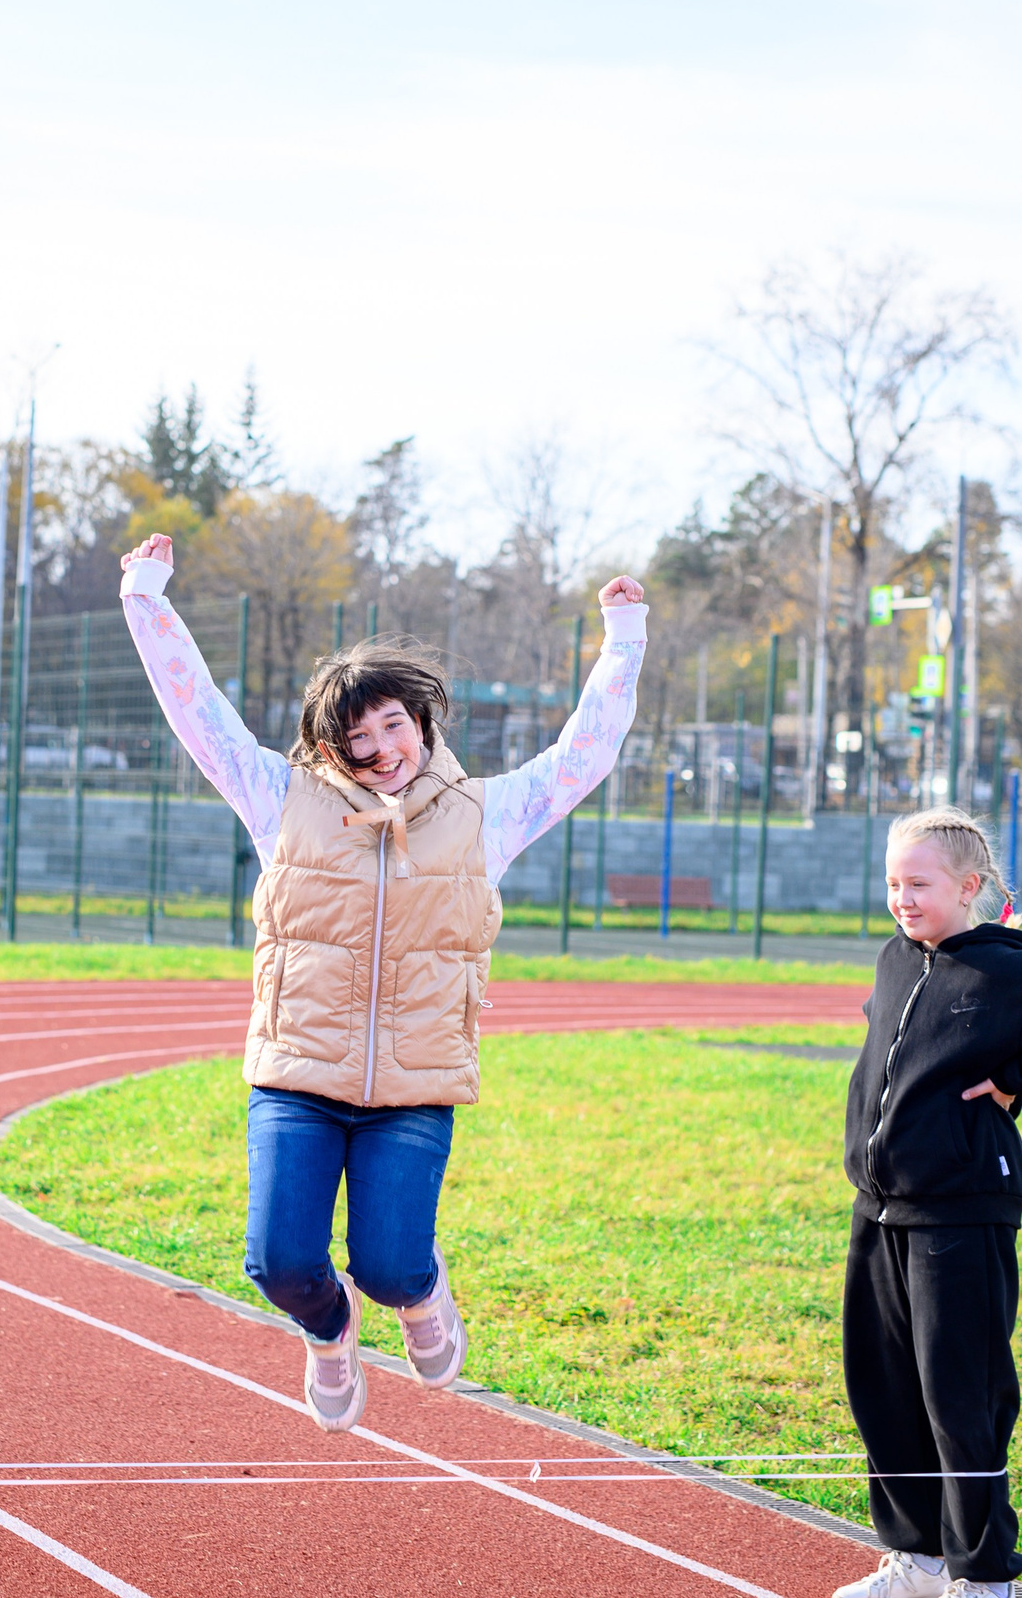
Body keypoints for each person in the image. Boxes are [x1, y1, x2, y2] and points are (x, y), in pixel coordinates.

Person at [118, 532, 645, 1431]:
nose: (382, 749)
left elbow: (583, 754)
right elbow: (197, 712)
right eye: (357, 739)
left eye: (392, 724)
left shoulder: (486, 814)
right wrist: (146, 599)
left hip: (413, 1085)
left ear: (422, 718)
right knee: (280, 1263)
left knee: (393, 1263)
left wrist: (623, 640)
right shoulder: (280, 797)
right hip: (297, 1077)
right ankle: (330, 1333)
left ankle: (418, 1294)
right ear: (333, 749)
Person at [832, 807, 1022, 1598]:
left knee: (960, 1396)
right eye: (894, 882)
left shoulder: (1010, 973)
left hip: (962, 1217)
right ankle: (919, 1559)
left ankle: (981, 1576)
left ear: (969, 887)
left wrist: (1016, 1081)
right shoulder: (896, 959)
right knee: (884, 1390)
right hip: (881, 1212)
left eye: (920, 884)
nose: (903, 897)